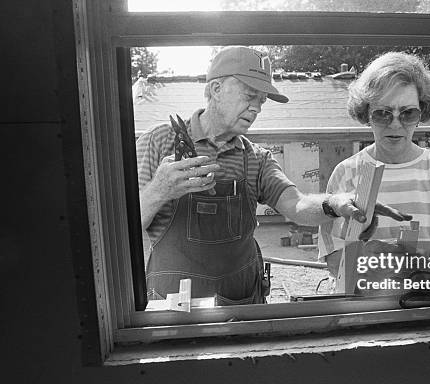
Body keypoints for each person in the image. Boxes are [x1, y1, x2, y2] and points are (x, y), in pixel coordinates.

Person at [137, 46, 410, 305]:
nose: (257, 108)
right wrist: (159, 190)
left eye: (261, 101)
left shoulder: (256, 158)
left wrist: (336, 203)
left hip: (242, 306)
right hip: (173, 312)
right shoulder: (159, 141)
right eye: (249, 96)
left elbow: (297, 206)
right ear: (216, 89)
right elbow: (122, 227)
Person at [318, 51, 430, 284]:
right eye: (382, 114)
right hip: (360, 306)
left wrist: (408, 276)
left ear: (422, 112)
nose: (395, 124)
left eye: (408, 113)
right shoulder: (347, 173)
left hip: (418, 301)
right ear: (366, 114)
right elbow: (332, 255)